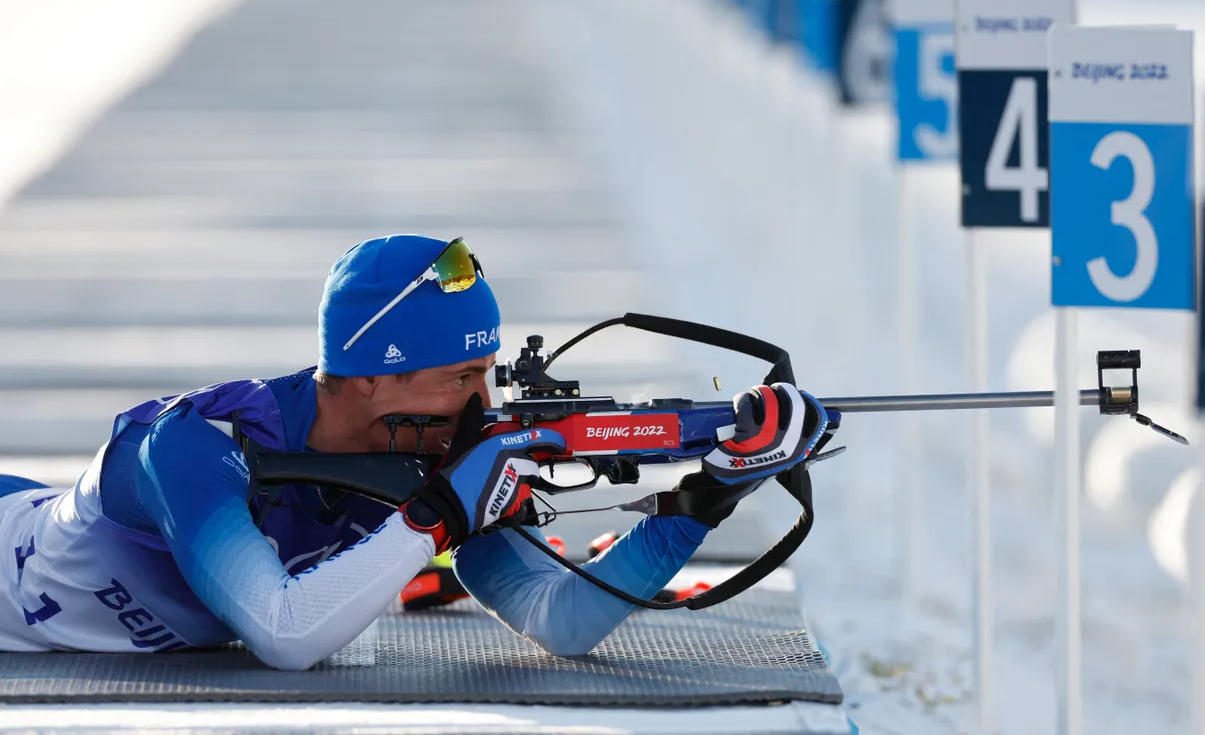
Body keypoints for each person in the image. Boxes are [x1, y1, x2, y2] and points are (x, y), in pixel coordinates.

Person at [0, 234, 829, 670]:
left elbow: (562, 623)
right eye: (457, 377)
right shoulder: (190, 444)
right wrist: (437, 517)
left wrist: (703, 501)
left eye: (488, 374)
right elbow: (285, 637)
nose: (483, 406)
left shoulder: (438, 460)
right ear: (367, 379)